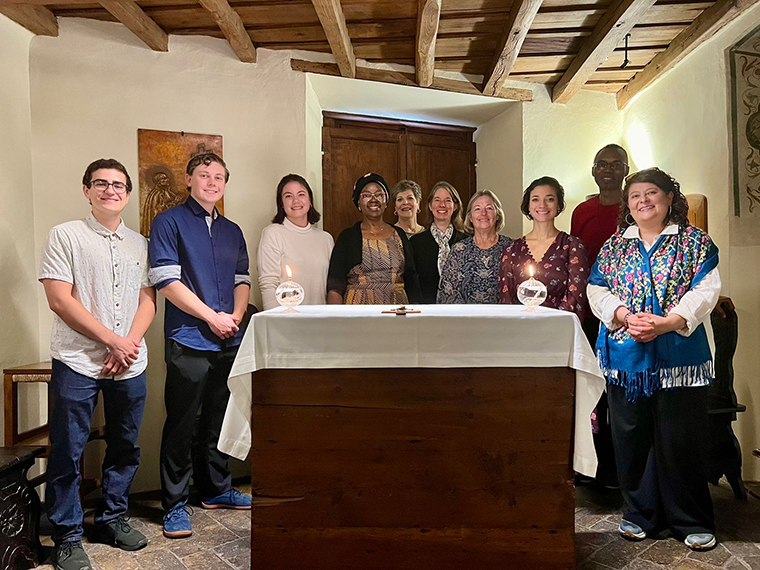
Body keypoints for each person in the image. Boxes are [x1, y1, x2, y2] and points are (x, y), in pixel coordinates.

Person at [587, 168, 721, 551]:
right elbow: (596, 288)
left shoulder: (694, 242)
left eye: (651, 193)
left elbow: (706, 289)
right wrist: (624, 316)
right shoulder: (614, 247)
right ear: (628, 205)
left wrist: (669, 322)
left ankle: (690, 518)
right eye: (635, 196)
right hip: (626, 356)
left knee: (680, 440)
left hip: (679, 358)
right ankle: (639, 514)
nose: (643, 201)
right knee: (631, 438)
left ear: (668, 198)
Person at [40, 159, 156, 570]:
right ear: (86, 189)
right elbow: (60, 299)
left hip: (130, 362)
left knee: (125, 446)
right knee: (68, 451)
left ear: (127, 192)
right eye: (101, 183)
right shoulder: (65, 235)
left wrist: (128, 345)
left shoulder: (140, 243)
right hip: (77, 360)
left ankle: (112, 518)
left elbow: (147, 299)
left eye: (118, 185)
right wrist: (112, 341)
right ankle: (68, 534)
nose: (110, 190)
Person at [149, 153, 252, 540]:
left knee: (219, 418)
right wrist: (211, 316)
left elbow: (242, 279)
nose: (212, 182)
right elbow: (166, 282)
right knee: (181, 421)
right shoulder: (168, 222)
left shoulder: (233, 230)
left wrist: (236, 316)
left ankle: (217, 490)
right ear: (189, 179)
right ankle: (175, 504)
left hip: (229, 336)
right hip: (189, 337)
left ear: (225, 184)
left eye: (219, 177)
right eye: (204, 175)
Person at [571, 143, 630, 489]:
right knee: (591, 387)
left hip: (628, 310)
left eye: (615, 164)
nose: (607, 170)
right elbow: (577, 259)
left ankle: (619, 466)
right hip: (591, 310)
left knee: (618, 389)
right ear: (593, 171)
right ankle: (591, 462)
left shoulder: (634, 206)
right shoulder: (582, 211)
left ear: (625, 170)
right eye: (601, 164)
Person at [499, 177, 588, 319]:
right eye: (535, 199)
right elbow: (507, 299)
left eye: (550, 199)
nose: (542, 205)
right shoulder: (511, 250)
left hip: (559, 329)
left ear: (558, 205)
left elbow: (575, 297)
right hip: (520, 330)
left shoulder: (573, 246)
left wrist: (549, 326)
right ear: (528, 205)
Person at [327, 172, 422, 304]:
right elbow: (335, 287)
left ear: (386, 202)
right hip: (358, 314)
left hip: (397, 312)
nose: (373, 199)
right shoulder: (348, 237)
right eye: (366, 195)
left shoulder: (399, 234)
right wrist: (337, 320)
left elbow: (412, 282)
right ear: (358, 203)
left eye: (379, 194)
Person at [258, 174, 334, 310]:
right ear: (281, 203)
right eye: (288, 196)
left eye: (301, 194)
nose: (295, 201)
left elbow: (332, 285)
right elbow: (268, 283)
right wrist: (274, 318)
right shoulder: (273, 233)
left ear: (310, 200)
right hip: (286, 320)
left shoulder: (326, 239)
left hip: (320, 319)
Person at [437, 189, 511, 304]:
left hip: (503, 319)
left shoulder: (510, 248)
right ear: (470, 218)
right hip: (466, 319)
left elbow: (521, 291)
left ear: (497, 215)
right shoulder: (459, 250)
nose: (483, 213)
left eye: (489, 208)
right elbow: (447, 294)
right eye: (477, 209)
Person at [410, 181, 468, 304]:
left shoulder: (467, 242)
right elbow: (412, 281)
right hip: (426, 312)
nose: (442, 205)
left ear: (455, 206)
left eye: (448, 200)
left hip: (461, 311)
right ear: (430, 206)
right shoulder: (416, 242)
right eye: (437, 200)